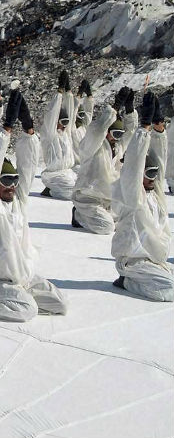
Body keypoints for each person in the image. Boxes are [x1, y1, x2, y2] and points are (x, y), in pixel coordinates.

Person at [0, 91, 68, 322]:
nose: (11, 186)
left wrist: (29, 131)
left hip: (21, 276)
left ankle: (17, 293)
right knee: (26, 311)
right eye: (6, 181)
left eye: (14, 181)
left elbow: (28, 167)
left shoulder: (17, 202)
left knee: (59, 304)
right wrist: (5, 129)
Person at [110, 93, 172, 301]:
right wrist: (143, 128)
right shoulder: (133, 196)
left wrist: (158, 129)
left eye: (154, 174)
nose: (153, 178)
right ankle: (127, 280)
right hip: (133, 261)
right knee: (168, 289)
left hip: (155, 260)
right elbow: (134, 165)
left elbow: (160, 162)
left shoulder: (155, 195)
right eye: (149, 174)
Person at [72, 87, 138, 234]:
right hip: (88, 199)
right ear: (107, 131)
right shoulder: (93, 146)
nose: (117, 137)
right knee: (107, 227)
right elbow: (97, 129)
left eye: (120, 134)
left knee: (130, 221)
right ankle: (78, 215)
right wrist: (114, 108)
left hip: (109, 200)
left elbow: (131, 131)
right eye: (114, 133)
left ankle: (103, 215)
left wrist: (129, 110)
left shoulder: (118, 148)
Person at [39, 71, 77, 200]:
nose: (65, 125)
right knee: (72, 194)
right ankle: (50, 190)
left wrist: (68, 93)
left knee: (87, 190)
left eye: (66, 122)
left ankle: (53, 189)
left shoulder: (65, 134)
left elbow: (70, 113)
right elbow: (52, 113)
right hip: (54, 174)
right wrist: (59, 93)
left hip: (69, 172)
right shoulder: (50, 134)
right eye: (63, 122)